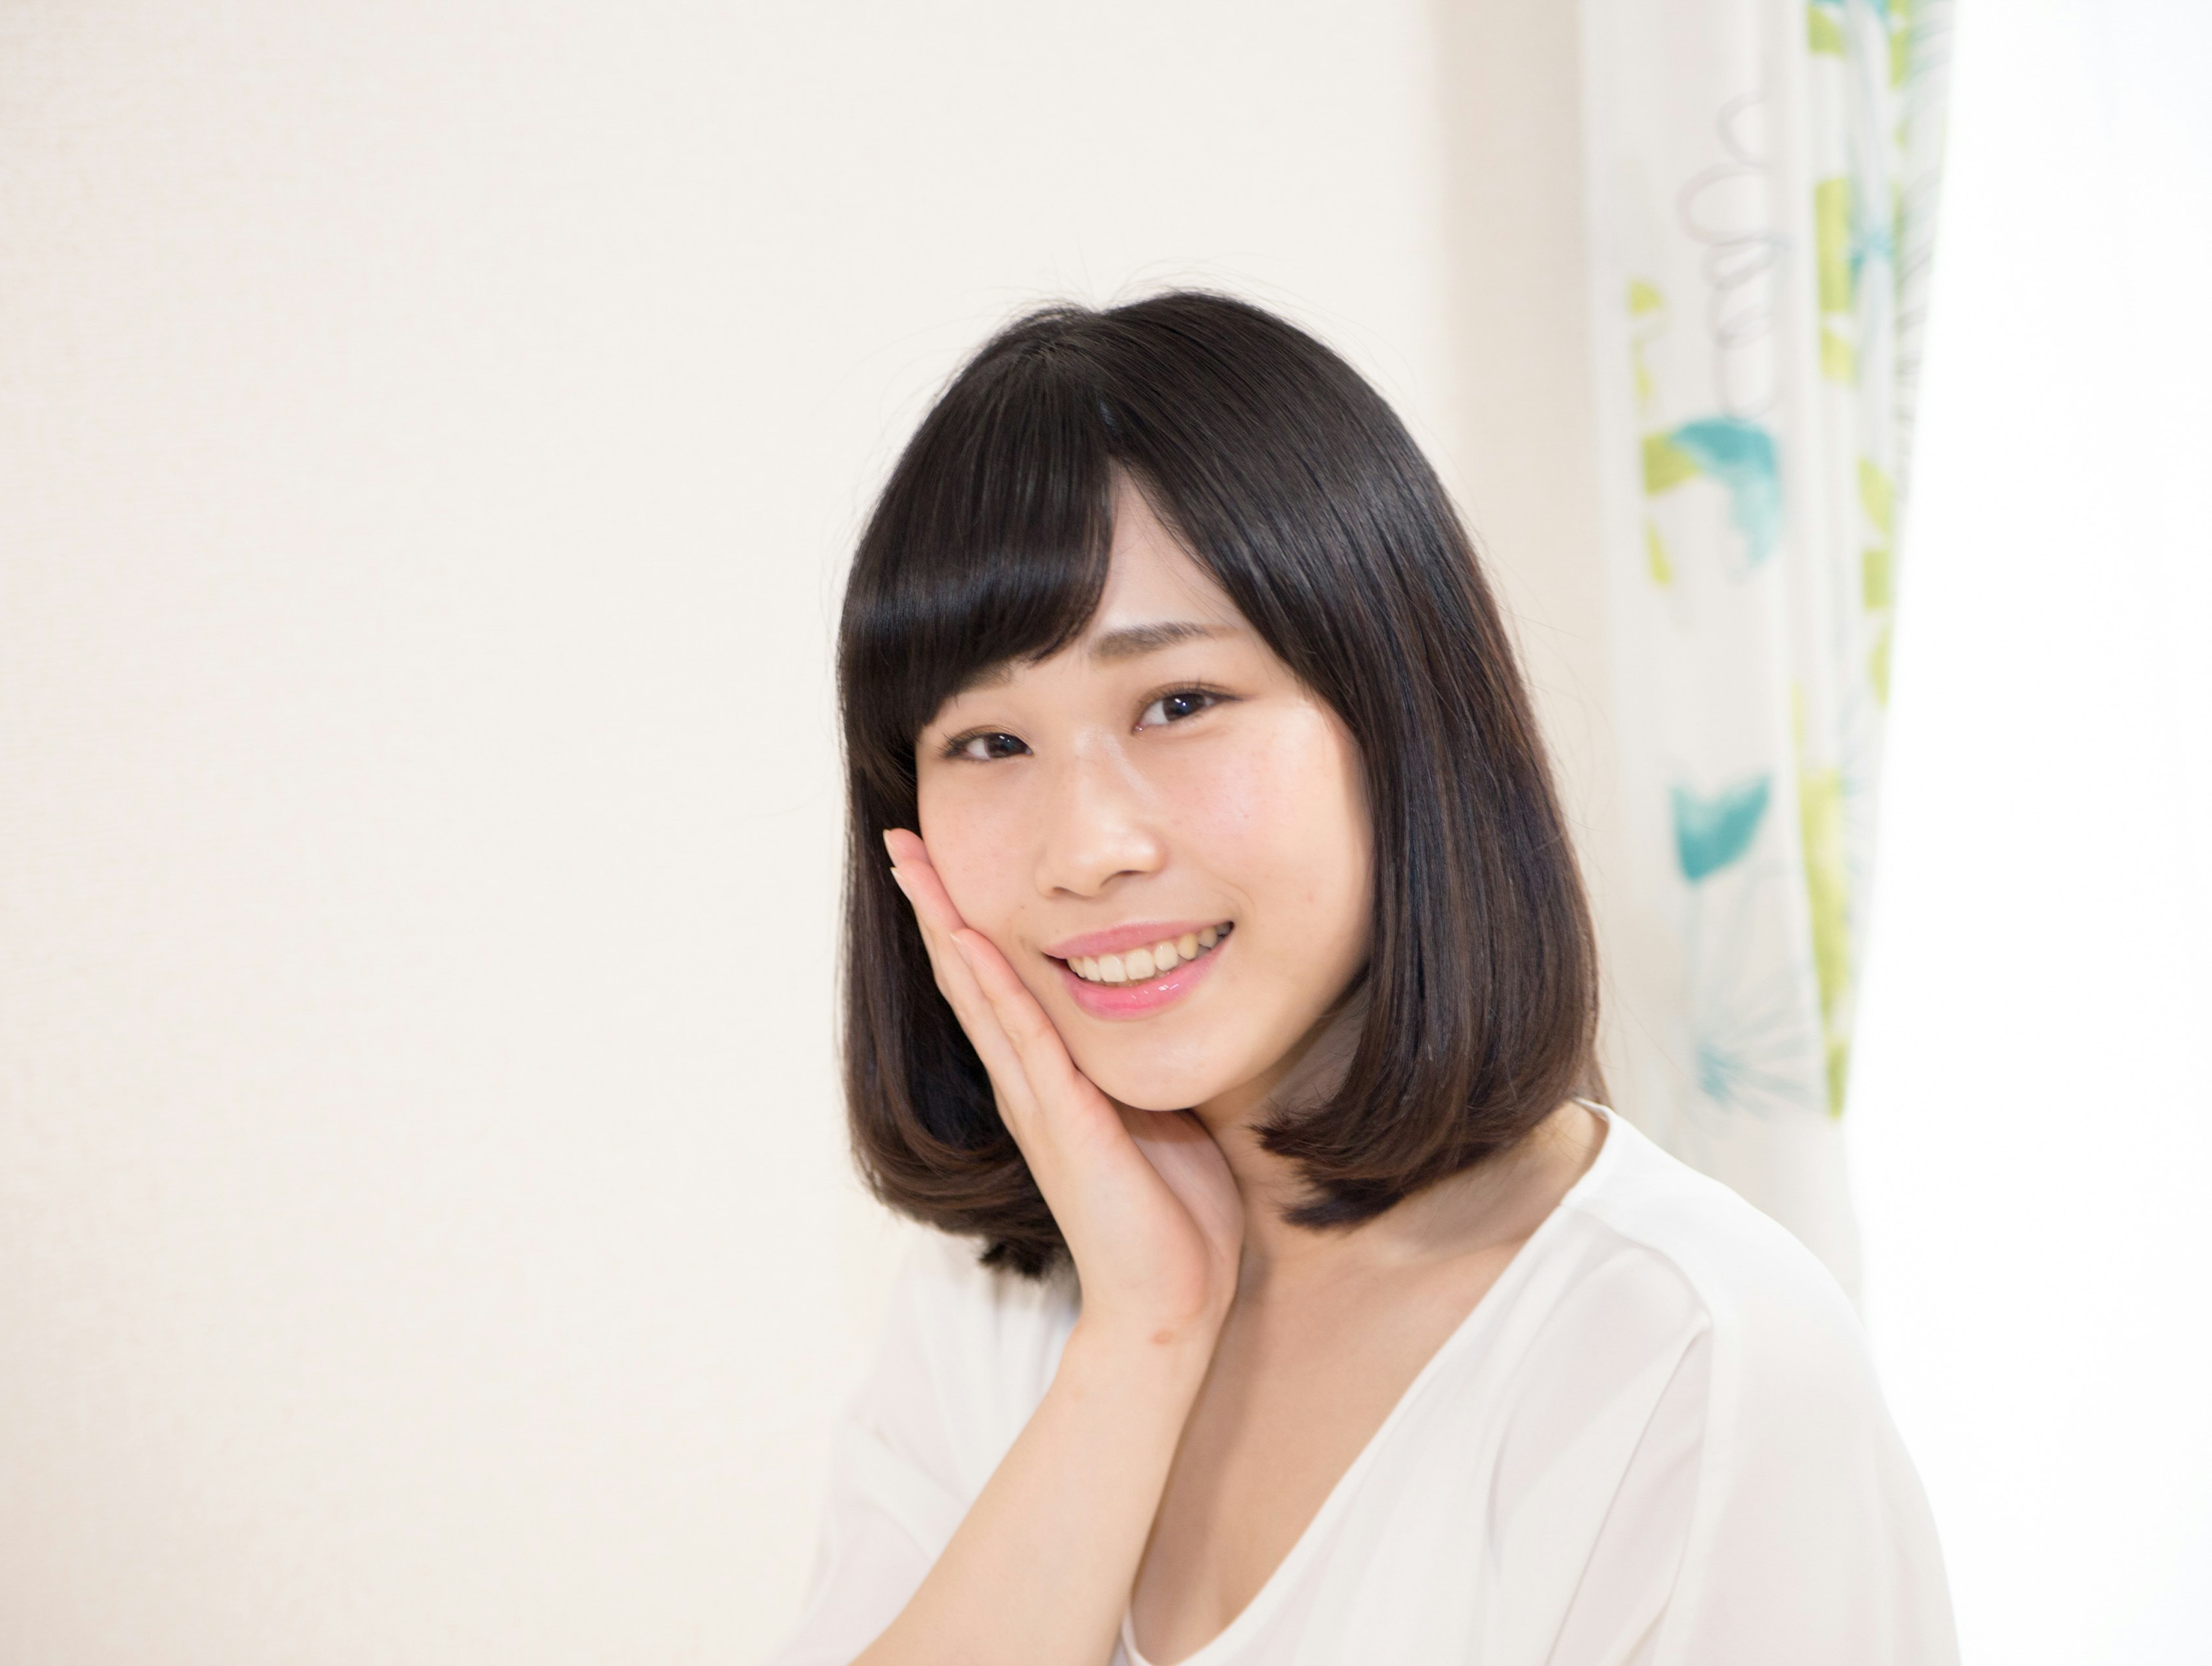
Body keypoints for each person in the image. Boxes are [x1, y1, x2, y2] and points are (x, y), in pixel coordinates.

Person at [768, 292, 1954, 1666]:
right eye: (986, 742)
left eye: (1180, 702)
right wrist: (1142, 1337)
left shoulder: (1690, 1358)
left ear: (1400, 721)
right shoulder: (995, 1310)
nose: (1086, 848)